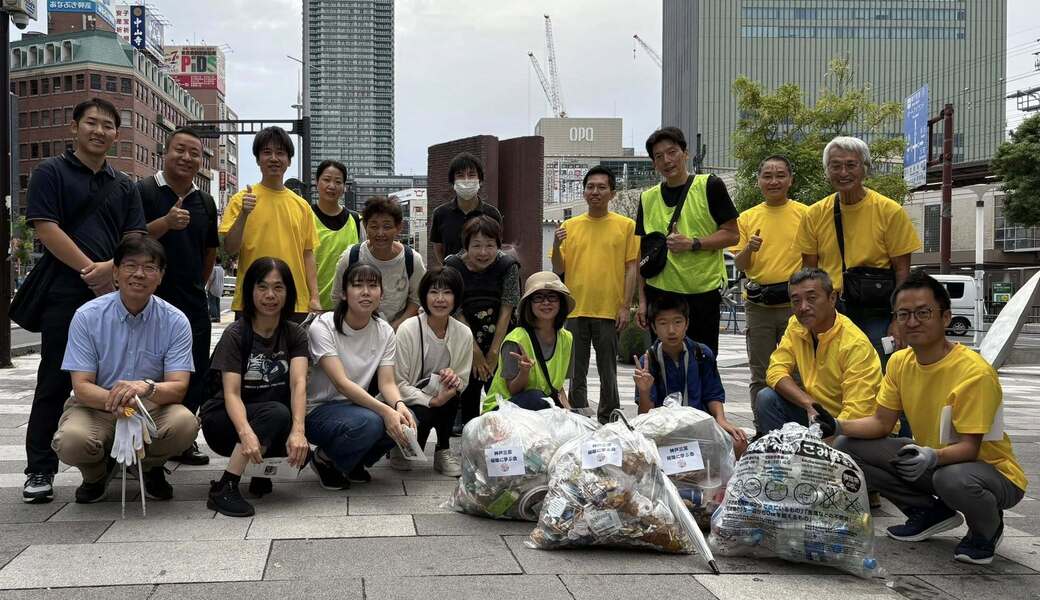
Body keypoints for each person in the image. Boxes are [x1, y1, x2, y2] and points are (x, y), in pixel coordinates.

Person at [820, 271, 1027, 565]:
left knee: (951, 478)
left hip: (990, 472)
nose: (913, 321)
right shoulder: (900, 361)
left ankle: (986, 530)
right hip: (933, 459)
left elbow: (971, 448)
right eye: (903, 314)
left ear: (945, 317)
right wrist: (837, 424)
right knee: (848, 447)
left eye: (923, 312)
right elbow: (880, 422)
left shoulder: (974, 374)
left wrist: (931, 456)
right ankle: (929, 513)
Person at [22, 98, 147, 504]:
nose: (99, 130)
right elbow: (45, 227)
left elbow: (136, 239)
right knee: (55, 379)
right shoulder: (50, 172)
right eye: (91, 123)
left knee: (119, 373)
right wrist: (89, 271)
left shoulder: (124, 185)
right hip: (65, 291)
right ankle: (40, 468)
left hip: (115, 294)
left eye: (108, 125)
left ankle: (118, 455)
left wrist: (110, 270)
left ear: (116, 133)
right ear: (73, 127)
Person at [52, 235, 198, 503]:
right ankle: (96, 474)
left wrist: (146, 387)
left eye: (150, 267)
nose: (139, 274)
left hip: (150, 407)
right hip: (97, 406)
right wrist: (118, 400)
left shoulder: (175, 321)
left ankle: (149, 467)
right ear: (116, 273)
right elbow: (81, 386)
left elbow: (178, 386)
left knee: (185, 424)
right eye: (131, 266)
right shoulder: (88, 316)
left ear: (161, 276)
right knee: (71, 440)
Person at [199, 258, 311, 517]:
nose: (270, 295)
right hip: (225, 420)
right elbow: (231, 393)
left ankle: (259, 473)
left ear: (288, 292)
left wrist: (299, 431)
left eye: (278, 288)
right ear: (250, 291)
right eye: (262, 287)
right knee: (277, 413)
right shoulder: (236, 334)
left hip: (267, 416)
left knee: (301, 447)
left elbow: (298, 383)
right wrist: (246, 432)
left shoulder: (295, 334)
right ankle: (224, 487)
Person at [795, 136, 921, 365]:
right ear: (827, 171)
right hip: (832, 310)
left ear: (865, 169)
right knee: (832, 374)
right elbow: (809, 273)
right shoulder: (814, 214)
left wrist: (899, 319)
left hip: (878, 310)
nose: (843, 172)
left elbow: (902, 271)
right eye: (836, 166)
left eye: (851, 165)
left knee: (879, 370)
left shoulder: (889, 211)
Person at [140, 126, 219, 466]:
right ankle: (141, 438)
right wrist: (165, 223)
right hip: (144, 302)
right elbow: (130, 239)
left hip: (191, 303)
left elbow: (209, 253)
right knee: (147, 369)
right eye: (180, 150)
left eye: (195, 153)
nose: (187, 158)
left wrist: (196, 285)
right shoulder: (142, 191)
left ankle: (182, 439)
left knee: (195, 371)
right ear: (165, 152)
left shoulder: (205, 201)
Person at [305, 262, 417, 488]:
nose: (366, 292)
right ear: (344, 294)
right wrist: (386, 411)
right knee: (373, 422)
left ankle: (352, 461)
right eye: (357, 285)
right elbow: (341, 384)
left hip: (356, 408)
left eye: (372, 286)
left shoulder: (384, 330)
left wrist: (398, 405)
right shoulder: (323, 326)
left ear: (381, 294)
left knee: (408, 420)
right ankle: (324, 459)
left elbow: (386, 382)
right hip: (318, 412)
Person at [636, 127, 739, 357]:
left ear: (685, 152)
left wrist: (693, 243)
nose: (667, 160)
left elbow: (733, 234)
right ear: (654, 163)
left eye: (672, 152)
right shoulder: (647, 197)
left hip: (701, 293)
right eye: (659, 156)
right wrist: (642, 301)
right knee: (663, 364)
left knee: (703, 361)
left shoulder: (710, 185)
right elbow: (641, 253)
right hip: (660, 293)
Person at [550, 166, 638, 424]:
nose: (595, 192)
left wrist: (625, 306)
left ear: (612, 193)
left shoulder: (626, 226)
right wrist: (556, 244)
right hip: (575, 308)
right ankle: (578, 415)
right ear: (584, 191)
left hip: (609, 310)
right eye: (590, 187)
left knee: (608, 370)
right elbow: (558, 268)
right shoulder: (569, 226)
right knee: (576, 371)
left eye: (602, 187)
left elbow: (632, 268)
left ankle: (609, 417)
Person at [731, 155, 808, 430]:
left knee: (799, 371)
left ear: (790, 179)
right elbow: (739, 264)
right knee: (760, 372)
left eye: (780, 175)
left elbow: (813, 260)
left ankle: (798, 429)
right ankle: (762, 430)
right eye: (767, 175)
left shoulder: (805, 213)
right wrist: (749, 249)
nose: (773, 181)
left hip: (795, 305)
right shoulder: (748, 217)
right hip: (759, 305)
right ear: (759, 180)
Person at [757, 268, 881, 436]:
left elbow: (855, 413)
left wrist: (817, 447)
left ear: (832, 298)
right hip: (815, 414)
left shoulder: (854, 344)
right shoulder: (796, 325)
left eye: (812, 298)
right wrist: (809, 403)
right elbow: (775, 371)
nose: (803, 307)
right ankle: (777, 459)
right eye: (796, 301)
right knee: (767, 398)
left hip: (854, 428)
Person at [219, 126, 321, 320]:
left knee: (297, 352)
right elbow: (230, 248)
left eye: (280, 153)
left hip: (295, 302)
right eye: (267, 152)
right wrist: (244, 214)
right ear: (258, 159)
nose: (274, 158)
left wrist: (314, 298)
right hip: (252, 300)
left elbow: (308, 255)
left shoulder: (302, 206)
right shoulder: (241, 200)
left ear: (289, 161)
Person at [633, 293, 748, 456]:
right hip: (662, 433)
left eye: (678, 322)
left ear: (687, 324)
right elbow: (644, 417)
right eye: (663, 323)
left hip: (699, 429)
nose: (671, 330)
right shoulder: (648, 361)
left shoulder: (702, 353)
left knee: (739, 441)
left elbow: (713, 394)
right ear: (653, 327)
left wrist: (721, 419)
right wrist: (644, 391)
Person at [389, 267, 473, 476]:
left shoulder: (463, 333)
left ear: (456, 297)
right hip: (408, 400)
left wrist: (454, 381)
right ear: (424, 296)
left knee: (451, 395)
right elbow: (398, 383)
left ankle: (442, 450)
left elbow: (463, 378)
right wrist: (431, 401)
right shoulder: (408, 329)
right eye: (434, 292)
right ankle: (401, 446)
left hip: (442, 398)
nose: (440, 299)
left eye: (447, 292)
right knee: (427, 411)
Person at [446, 216, 521, 428]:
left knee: (499, 398)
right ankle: (468, 436)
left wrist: (494, 352)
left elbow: (508, 307)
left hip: (500, 336)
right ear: (466, 245)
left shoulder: (508, 266)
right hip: (464, 340)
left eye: (490, 246)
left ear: (498, 245)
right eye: (476, 246)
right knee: (467, 394)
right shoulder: (453, 266)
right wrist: (475, 351)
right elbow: (455, 309)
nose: (483, 252)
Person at [483, 272, 574, 413]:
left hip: (540, 408)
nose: (546, 302)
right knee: (538, 398)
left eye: (552, 297)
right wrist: (524, 371)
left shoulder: (566, 338)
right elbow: (513, 390)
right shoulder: (516, 339)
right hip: (502, 410)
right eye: (538, 297)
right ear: (529, 304)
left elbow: (558, 388)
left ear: (560, 302)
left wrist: (570, 414)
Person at [332, 196, 426, 330]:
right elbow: (337, 297)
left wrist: (393, 329)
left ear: (398, 228)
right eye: (374, 226)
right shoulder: (351, 257)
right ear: (365, 226)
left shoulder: (412, 260)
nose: (380, 233)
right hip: (358, 330)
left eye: (387, 227)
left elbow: (417, 300)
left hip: (398, 332)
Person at [429, 152, 503, 265]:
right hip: (452, 277)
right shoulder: (440, 214)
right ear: (452, 182)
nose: (466, 180)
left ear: (480, 180)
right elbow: (438, 247)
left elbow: (496, 247)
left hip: (485, 277)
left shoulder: (492, 214)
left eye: (471, 174)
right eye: (460, 175)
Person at [311, 160, 363, 311]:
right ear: (316, 182)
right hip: (312, 307)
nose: (332, 186)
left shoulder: (356, 221)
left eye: (338, 181)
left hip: (348, 309)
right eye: (326, 180)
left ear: (344, 187)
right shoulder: (304, 217)